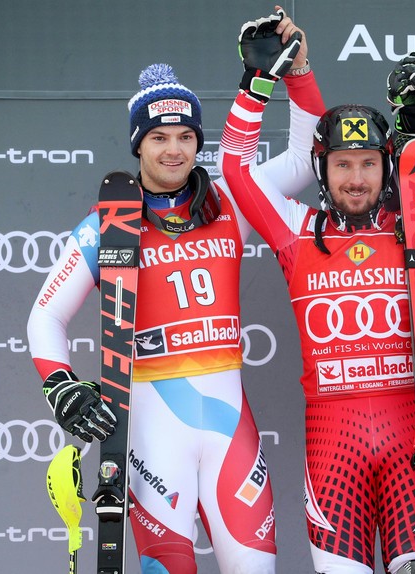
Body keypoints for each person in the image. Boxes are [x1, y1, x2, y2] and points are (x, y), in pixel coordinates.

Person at [26, 10, 324, 573]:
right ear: (137, 144)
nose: (174, 150)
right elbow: (45, 316)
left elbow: (306, 159)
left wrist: (299, 72)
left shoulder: (229, 204)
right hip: (151, 430)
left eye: (186, 136)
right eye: (159, 137)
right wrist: (61, 387)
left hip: (231, 429)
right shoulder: (108, 224)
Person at [220, 45, 415, 572]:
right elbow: (235, 170)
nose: (356, 179)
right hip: (332, 455)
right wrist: (259, 81)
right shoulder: (295, 232)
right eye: (341, 164)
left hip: (413, 445)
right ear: (321, 168)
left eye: (368, 163)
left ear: (387, 167)